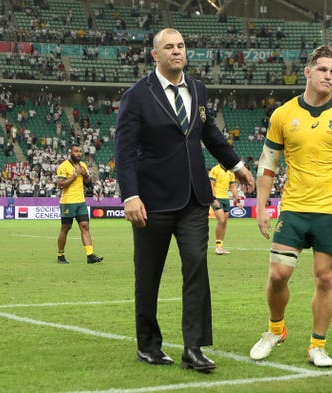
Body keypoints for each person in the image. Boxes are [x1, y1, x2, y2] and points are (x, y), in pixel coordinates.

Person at [114, 28, 254, 372]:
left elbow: (210, 133)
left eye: (181, 46)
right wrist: (130, 196)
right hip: (152, 201)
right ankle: (148, 345)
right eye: (169, 47)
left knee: (196, 269)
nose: (177, 52)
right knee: (148, 277)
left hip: (194, 199)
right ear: (155, 55)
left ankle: (194, 348)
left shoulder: (198, 89)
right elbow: (124, 151)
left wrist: (236, 165)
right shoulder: (137, 96)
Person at [249, 45, 332, 367]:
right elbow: (267, 164)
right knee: (279, 274)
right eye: (323, 69)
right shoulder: (283, 114)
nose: (329, 76)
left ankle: (317, 345)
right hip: (294, 208)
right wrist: (262, 206)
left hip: (331, 210)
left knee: (325, 278)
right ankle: (275, 330)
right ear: (307, 72)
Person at [56, 144, 103, 264]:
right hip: (67, 202)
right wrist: (75, 175)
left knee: (85, 226)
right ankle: (60, 255)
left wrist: (85, 175)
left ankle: (90, 255)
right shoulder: (63, 166)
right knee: (66, 228)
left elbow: (88, 184)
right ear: (70, 152)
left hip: (81, 202)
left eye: (80, 152)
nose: (79, 154)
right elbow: (61, 184)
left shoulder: (83, 165)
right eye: (76, 151)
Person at [209, 163, 240, 255]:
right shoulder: (215, 169)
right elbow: (211, 185)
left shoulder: (231, 172)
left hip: (226, 199)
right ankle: (218, 247)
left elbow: (233, 187)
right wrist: (213, 198)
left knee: (224, 222)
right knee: (221, 220)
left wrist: (237, 199)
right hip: (217, 198)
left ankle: (220, 246)